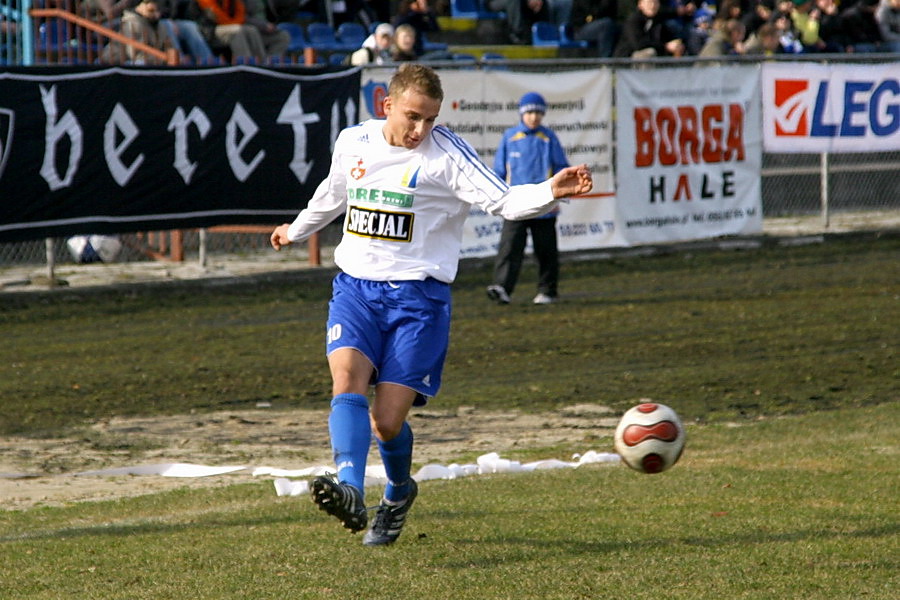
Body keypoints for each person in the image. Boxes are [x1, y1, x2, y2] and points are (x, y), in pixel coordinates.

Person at [269, 64, 592, 547]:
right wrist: (295, 229)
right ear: (387, 106)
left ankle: (398, 492)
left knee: (387, 421)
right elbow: (334, 193)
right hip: (356, 288)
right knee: (346, 380)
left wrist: (550, 190)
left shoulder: (446, 155)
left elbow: (502, 200)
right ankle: (351, 489)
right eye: (413, 116)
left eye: (431, 119)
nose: (421, 129)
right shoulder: (353, 141)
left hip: (418, 301)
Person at [486, 92, 570, 306]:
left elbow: (561, 167)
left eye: (538, 113)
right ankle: (502, 288)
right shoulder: (509, 137)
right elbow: (498, 170)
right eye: (530, 112)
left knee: (546, 250)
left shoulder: (549, 138)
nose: (534, 117)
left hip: (545, 206)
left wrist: (558, 192)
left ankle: (548, 291)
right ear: (522, 113)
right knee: (509, 247)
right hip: (515, 204)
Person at [101, 0, 175, 64]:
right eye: (151, 10)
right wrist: (164, 58)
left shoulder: (160, 25)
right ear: (139, 7)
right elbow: (137, 55)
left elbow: (168, 46)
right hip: (118, 62)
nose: (157, 15)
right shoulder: (132, 23)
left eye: (158, 11)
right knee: (140, 63)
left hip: (152, 60)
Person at [614, 0, 686, 57]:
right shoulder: (633, 21)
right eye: (649, 2)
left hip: (656, 52)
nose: (652, 6)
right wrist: (665, 46)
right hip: (628, 58)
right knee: (649, 53)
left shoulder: (658, 20)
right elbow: (638, 44)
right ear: (640, 4)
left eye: (655, 2)